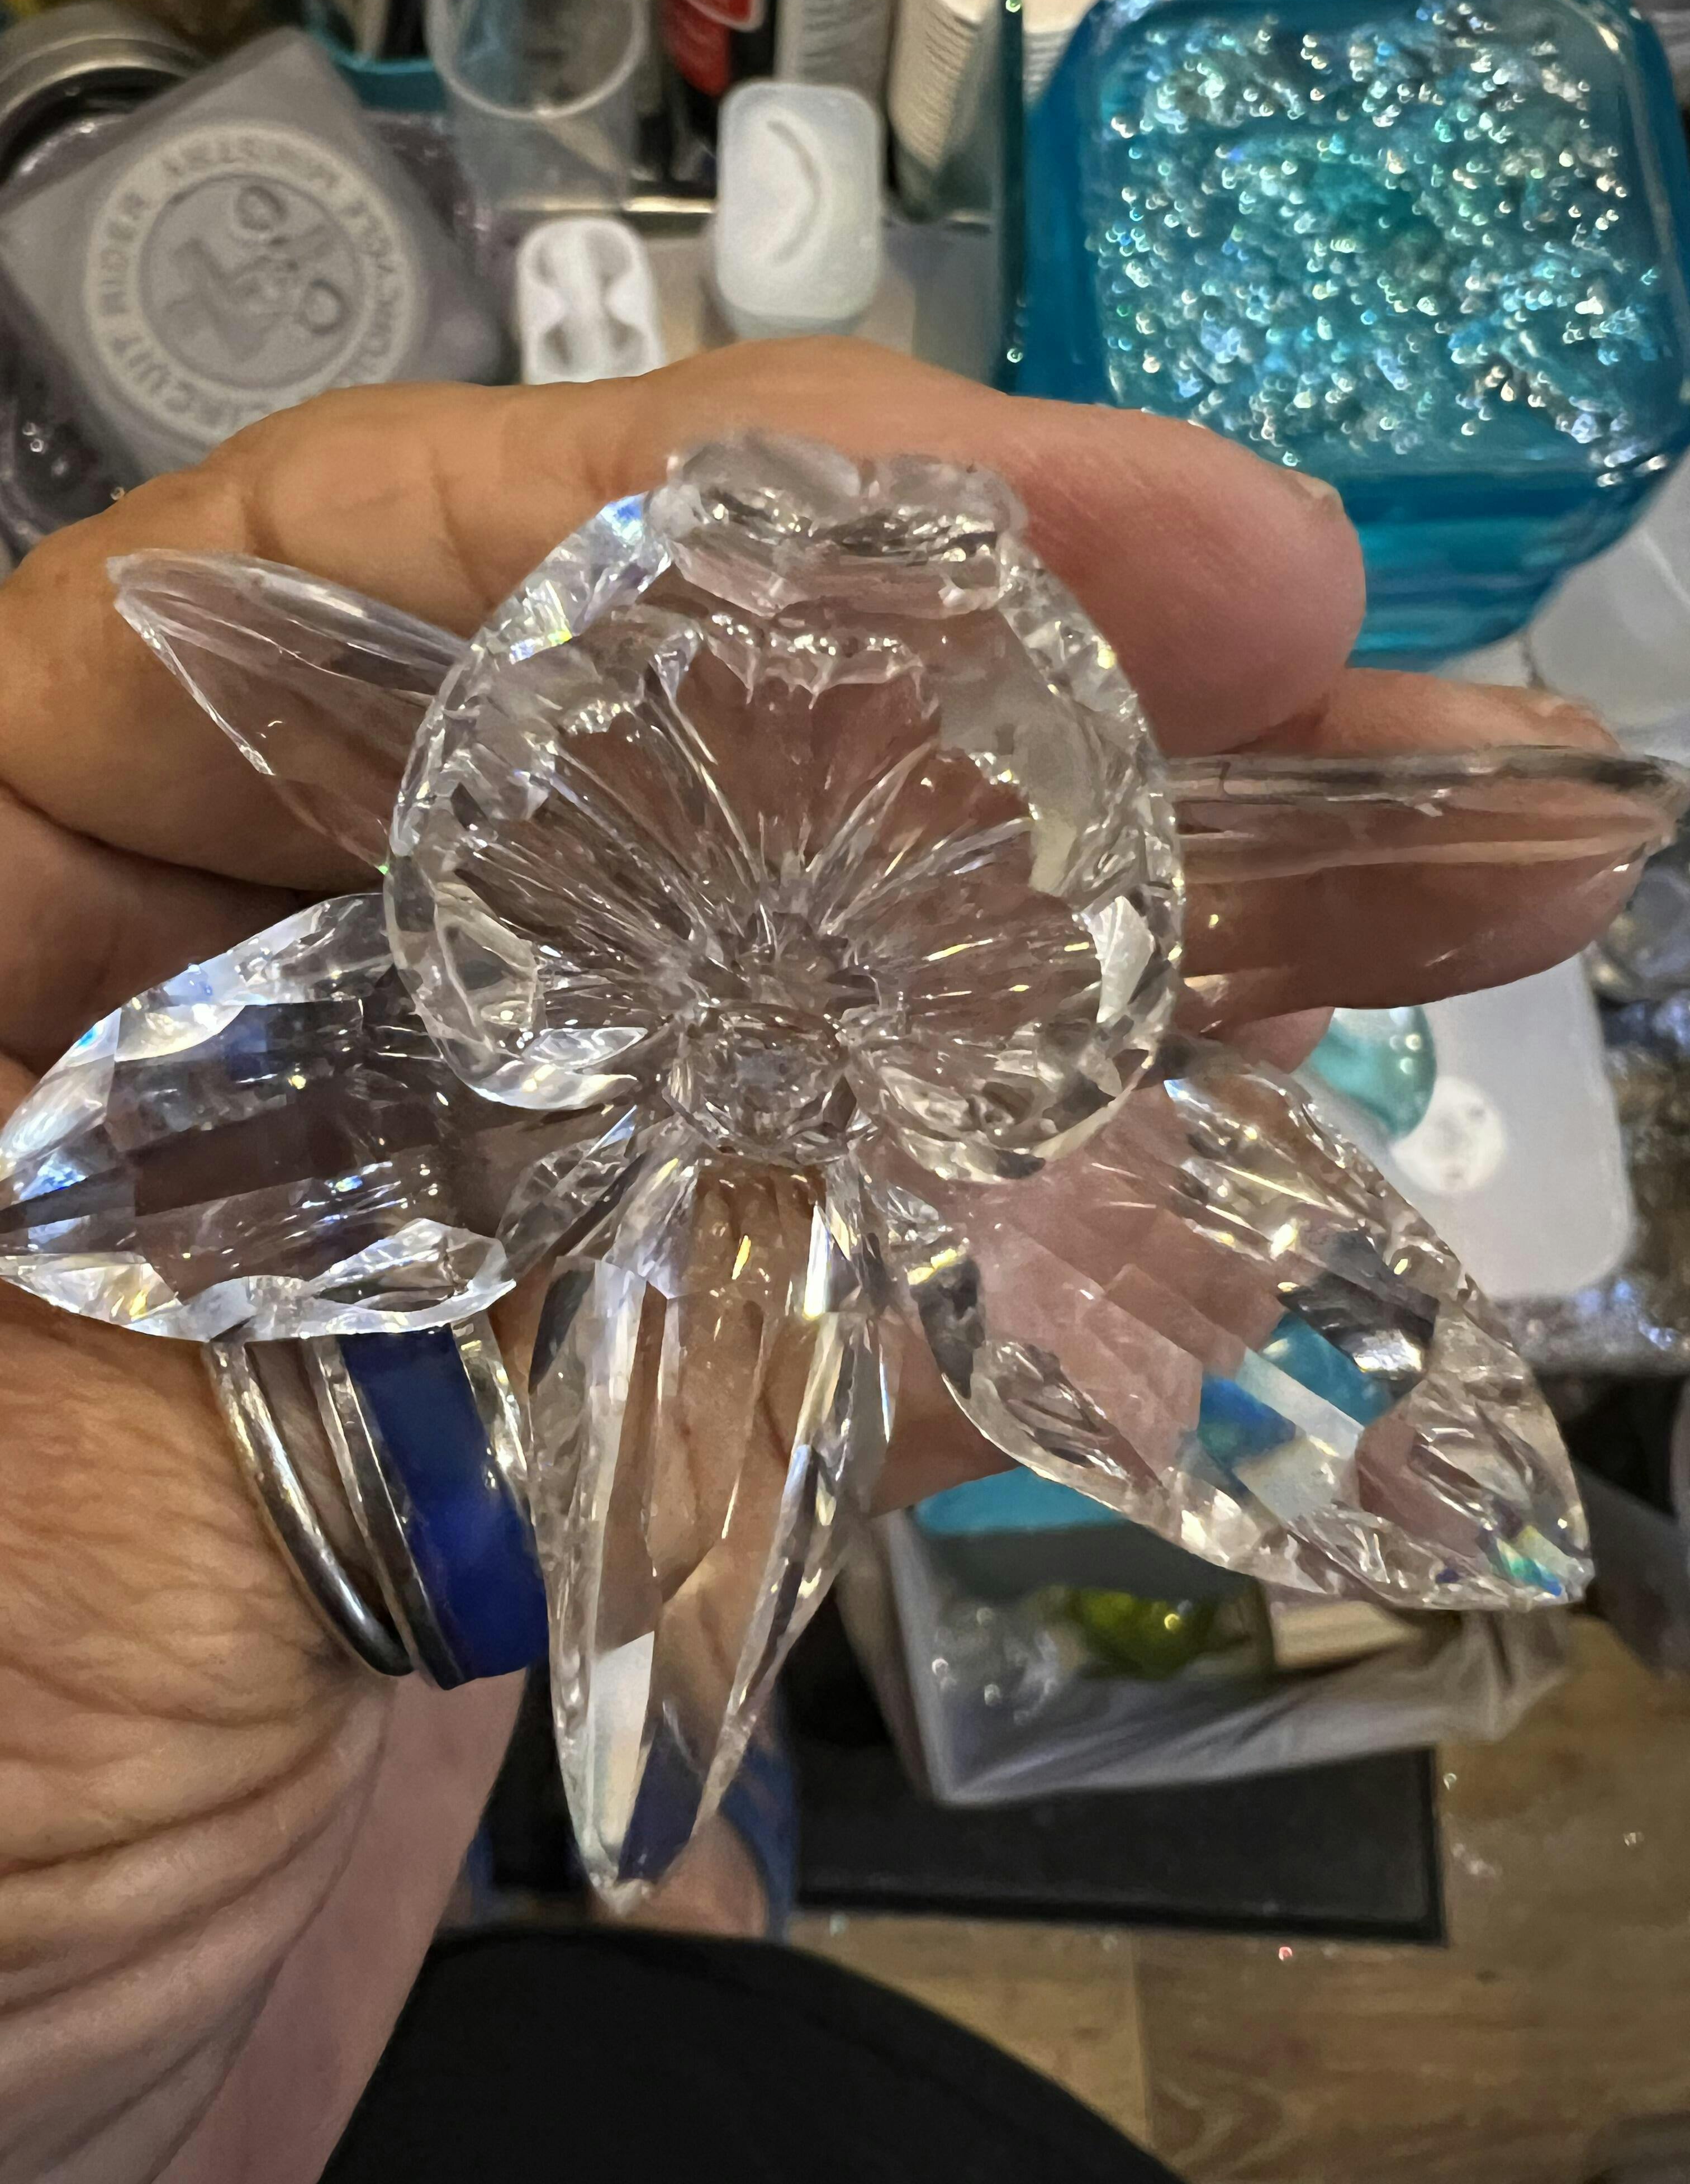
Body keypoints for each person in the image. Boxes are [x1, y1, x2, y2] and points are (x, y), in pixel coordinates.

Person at [0, 340, 1622, 2184]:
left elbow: (1384, 1431)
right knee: (665, 1976)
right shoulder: (451, 995)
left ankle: (624, 1884)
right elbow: (126, 1164)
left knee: (640, 1927)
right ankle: (655, 1903)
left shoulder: (1052, 1114)